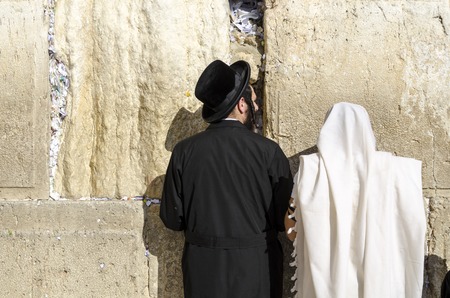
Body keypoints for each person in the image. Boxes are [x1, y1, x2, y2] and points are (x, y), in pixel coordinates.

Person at [160, 59, 294, 298]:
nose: (257, 107)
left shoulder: (183, 152)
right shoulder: (269, 152)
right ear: (242, 105)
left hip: (203, 271)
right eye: (254, 101)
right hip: (256, 270)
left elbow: (172, 219)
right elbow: (284, 218)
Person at [285, 102, 426, 298]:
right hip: (379, 279)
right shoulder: (393, 171)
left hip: (325, 283)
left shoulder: (310, 170)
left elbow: (291, 228)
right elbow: (413, 224)